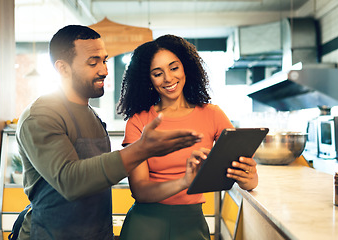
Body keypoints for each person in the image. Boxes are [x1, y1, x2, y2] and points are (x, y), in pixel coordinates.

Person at [15, 26, 203, 240]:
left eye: (104, 60)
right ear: (63, 68)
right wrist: (141, 149)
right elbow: (70, 181)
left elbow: (98, 180)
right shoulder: (41, 116)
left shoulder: (93, 117)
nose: (104, 70)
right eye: (93, 62)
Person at [116, 35, 259, 240]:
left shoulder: (213, 115)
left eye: (174, 68)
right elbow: (140, 190)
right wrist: (185, 181)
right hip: (144, 226)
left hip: (192, 225)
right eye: (158, 73)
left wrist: (250, 178)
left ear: (186, 68)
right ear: (147, 79)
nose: (168, 78)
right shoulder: (138, 122)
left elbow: (241, 169)